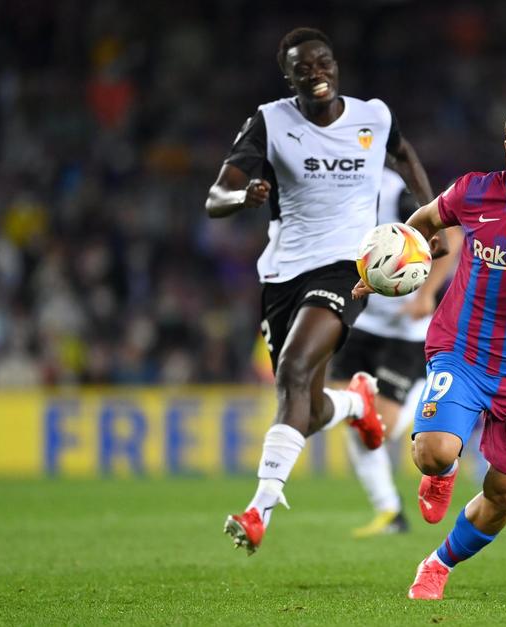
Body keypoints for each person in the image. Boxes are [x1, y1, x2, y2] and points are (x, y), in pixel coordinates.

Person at [353, 101, 506, 599]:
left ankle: (437, 564)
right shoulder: (474, 191)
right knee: (432, 452)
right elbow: (424, 220)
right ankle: (443, 472)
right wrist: (386, 266)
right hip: (461, 350)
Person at [205, 27, 437, 556]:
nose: (316, 72)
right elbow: (215, 195)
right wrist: (243, 195)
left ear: (336, 66)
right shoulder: (270, 121)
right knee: (303, 411)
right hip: (282, 273)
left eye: (323, 62)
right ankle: (356, 403)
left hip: (346, 270)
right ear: (287, 77)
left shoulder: (373, 117)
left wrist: (432, 222)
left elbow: (406, 156)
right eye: (302, 66)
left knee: (289, 370)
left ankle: (258, 510)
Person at [329, 165, 461, 538]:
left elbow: (451, 231)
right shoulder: (333, 190)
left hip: (406, 328)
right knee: (353, 416)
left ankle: (422, 391)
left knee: (380, 427)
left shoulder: (394, 192)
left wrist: (428, 293)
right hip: (364, 321)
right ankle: (389, 511)